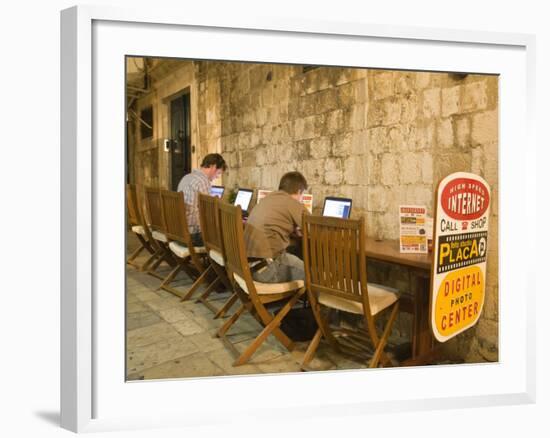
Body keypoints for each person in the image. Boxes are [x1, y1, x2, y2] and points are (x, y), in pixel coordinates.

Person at [244, 171, 308, 283]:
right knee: (314, 276)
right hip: (267, 270)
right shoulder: (292, 203)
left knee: (293, 254)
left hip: (248, 268)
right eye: (302, 195)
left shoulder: (268, 198)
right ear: (299, 191)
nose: (301, 199)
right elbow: (314, 229)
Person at [177, 153, 227, 246]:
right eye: (219, 173)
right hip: (192, 236)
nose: (217, 177)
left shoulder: (186, 177)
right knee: (228, 235)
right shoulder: (203, 181)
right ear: (213, 167)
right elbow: (208, 212)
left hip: (178, 232)